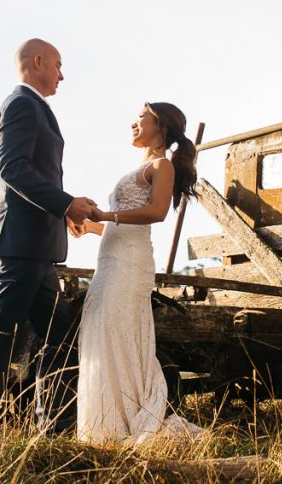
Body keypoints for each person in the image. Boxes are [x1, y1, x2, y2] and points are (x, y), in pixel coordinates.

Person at [0, 38, 98, 434]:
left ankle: (51, 427)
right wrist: (65, 203)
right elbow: (13, 170)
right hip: (21, 246)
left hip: (40, 247)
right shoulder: (21, 104)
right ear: (37, 61)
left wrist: (64, 215)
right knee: (0, 332)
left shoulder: (34, 107)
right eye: (58, 65)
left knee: (57, 338)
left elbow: (34, 174)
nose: (62, 74)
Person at [71, 102, 205, 444]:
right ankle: (106, 421)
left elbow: (158, 212)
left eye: (141, 118)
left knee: (120, 334)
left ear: (159, 125)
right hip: (111, 262)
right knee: (104, 334)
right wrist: (91, 228)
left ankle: (128, 416)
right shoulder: (141, 165)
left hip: (129, 268)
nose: (133, 123)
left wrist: (106, 215)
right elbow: (120, 225)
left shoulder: (162, 165)